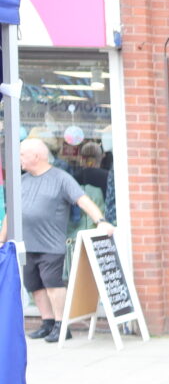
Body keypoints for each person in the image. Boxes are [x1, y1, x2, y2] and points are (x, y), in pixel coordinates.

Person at [7, 137, 113, 343]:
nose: (19, 158)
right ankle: (47, 322)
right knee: (34, 285)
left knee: (52, 284)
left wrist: (101, 221)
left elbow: (83, 200)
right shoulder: (22, 180)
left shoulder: (61, 178)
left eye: (22, 154)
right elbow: (11, 214)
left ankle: (61, 325)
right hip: (26, 243)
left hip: (50, 244)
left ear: (36, 156)